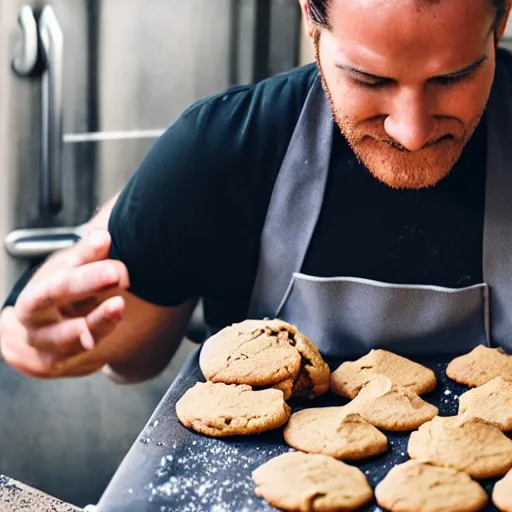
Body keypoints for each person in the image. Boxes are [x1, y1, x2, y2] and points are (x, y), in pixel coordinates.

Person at [2, 0, 512, 383]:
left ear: (502, 21)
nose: (411, 131)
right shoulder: (224, 150)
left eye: (453, 77)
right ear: (310, 20)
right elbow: (132, 358)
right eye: (369, 79)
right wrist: (37, 334)